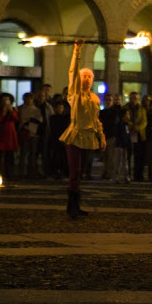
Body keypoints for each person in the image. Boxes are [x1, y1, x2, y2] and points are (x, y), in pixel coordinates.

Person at [59, 39, 106, 219]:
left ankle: (76, 205)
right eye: (84, 76)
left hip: (89, 138)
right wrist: (77, 51)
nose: (86, 78)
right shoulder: (75, 95)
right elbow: (72, 73)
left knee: (81, 174)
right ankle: (71, 207)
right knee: (75, 172)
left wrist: (101, 137)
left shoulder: (95, 98)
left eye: (89, 77)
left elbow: (96, 120)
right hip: (74, 136)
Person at [0, 93, 18, 179]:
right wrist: (4, 112)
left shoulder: (13, 110)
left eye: (7, 100)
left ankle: (10, 174)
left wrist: (10, 110)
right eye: (4, 100)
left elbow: (15, 118)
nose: (6, 102)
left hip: (10, 135)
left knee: (9, 156)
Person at [17, 92, 42, 179]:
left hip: (33, 134)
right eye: (26, 99)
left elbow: (39, 121)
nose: (28, 101)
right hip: (24, 133)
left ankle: (31, 173)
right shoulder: (20, 109)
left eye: (29, 99)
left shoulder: (36, 110)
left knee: (32, 155)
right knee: (23, 153)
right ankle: (22, 172)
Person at [126, 92, 147, 181]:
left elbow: (144, 121)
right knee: (128, 155)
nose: (134, 100)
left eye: (136, 98)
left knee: (139, 156)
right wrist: (131, 126)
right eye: (132, 98)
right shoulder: (125, 108)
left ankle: (138, 175)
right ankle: (128, 174)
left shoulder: (142, 109)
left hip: (139, 135)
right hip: (128, 134)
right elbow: (125, 119)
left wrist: (138, 127)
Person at [99, 93, 118, 181]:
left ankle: (109, 173)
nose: (108, 102)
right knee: (104, 157)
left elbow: (112, 123)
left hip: (111, 136)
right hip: (103, 137)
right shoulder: (101, 112)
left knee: (111, 157)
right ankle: (105, 172)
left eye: (109, 100)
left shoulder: (115, 112)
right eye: (106, 100)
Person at [35, 90, 54, 178]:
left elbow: (52, 118)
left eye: (42, 96)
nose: (41, 98)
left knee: (45, 153)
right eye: (39, 96)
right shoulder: (34, 106)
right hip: (35, 132)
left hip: (45, 132)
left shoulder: (47, 107)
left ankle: (44, 172)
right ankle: (34, 171)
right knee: (34, 153)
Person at [49, 101, 70, 179]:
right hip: (55, 139)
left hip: (63, 139)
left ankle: (63, 172)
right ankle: (56, 171)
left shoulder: (65, 118)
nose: (60, 109)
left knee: (64, 157)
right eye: (58, 107)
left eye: (61, 107)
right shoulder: (53, 118)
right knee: (56, 156)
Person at [114, 108, 131, 183]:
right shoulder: (119, 124)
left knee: (125, 162)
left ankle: (126, 177)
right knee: (118, 162)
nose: (129, 116)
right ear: (123, 115)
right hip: (119, 146)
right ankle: (117, 177)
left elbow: (127, 135)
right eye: (127, 114)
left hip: (125, 146)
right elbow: (118, 135)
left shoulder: (126, 124)